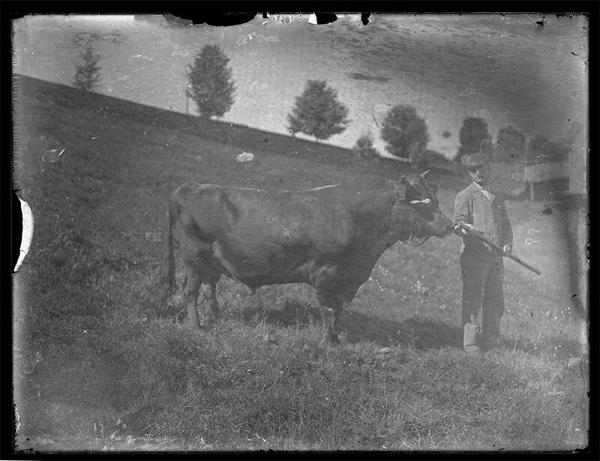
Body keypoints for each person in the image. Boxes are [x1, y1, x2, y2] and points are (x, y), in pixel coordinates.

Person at [453, 153, 513, 353]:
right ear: (469, 172)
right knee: (473, 300)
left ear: (488, 168)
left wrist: (507, 243)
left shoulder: (497, 194)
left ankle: (491, 341)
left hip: (495, 257)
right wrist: (463, 229)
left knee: (495, 299)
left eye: (482, 168)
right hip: (474, 256)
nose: (478, 173)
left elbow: (505, 223)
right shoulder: (465, 195)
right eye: (473, 170)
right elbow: (459, 223)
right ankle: (471, 344)